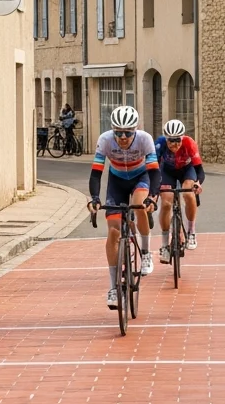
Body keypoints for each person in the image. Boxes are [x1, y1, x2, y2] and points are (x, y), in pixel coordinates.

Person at [88, 105, 162, 309]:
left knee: (138, 205)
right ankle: (113, 287)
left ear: (135, 130)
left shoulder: (144, 139)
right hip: (117, 181)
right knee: (113, 231)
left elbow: (155, 172)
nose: (122, 137)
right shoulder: (104, 140)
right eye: (118, 132)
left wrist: (153, 197)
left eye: (127, 133)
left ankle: (145, 253)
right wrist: (94, 197)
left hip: (141, 176)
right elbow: (96, 173)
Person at [155, 118, 205, 259]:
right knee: (166, 203)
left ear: (182, 138)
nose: (174, 144)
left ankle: (191, 232)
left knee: (189, 193)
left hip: (186, 170)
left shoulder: (189, 143)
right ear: (166, 139)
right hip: (168, 171)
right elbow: (153, 168)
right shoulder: (159, 143)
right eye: (171, 140)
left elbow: (199, 170)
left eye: (177, 140)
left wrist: (198, 183)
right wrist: (154, 188)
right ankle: (165, 244)